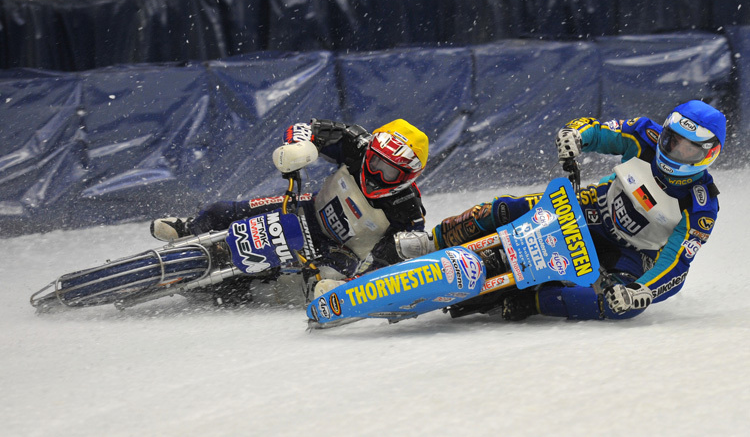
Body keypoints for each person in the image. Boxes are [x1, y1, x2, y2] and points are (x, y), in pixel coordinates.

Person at [396, 100, 726, 321]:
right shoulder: (645, 134)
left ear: (709, 154)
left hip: (630, 255)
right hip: (590, 210)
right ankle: (432, 240)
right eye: (671, 141)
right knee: (508, 207)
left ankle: (535, 302)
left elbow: (677, 263)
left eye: (687, 149)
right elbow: (597, 130)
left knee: (620, 309)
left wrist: (642, 292)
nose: (673, 152)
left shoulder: (701, 205)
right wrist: (574, 136)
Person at [150, 118, 430, 305]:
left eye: (390, 171)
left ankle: (233, 292)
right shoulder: (357, 143)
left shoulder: (408, 212)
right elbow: (307, 128)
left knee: (318, 287)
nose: (377, 174)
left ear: (407, 177)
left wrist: (356, 283)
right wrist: (300, 147)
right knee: (222, 210)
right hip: (306, 208)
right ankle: (188, 229)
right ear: (369, 149)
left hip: (340, 250)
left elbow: (394, 262)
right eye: (375, 162)